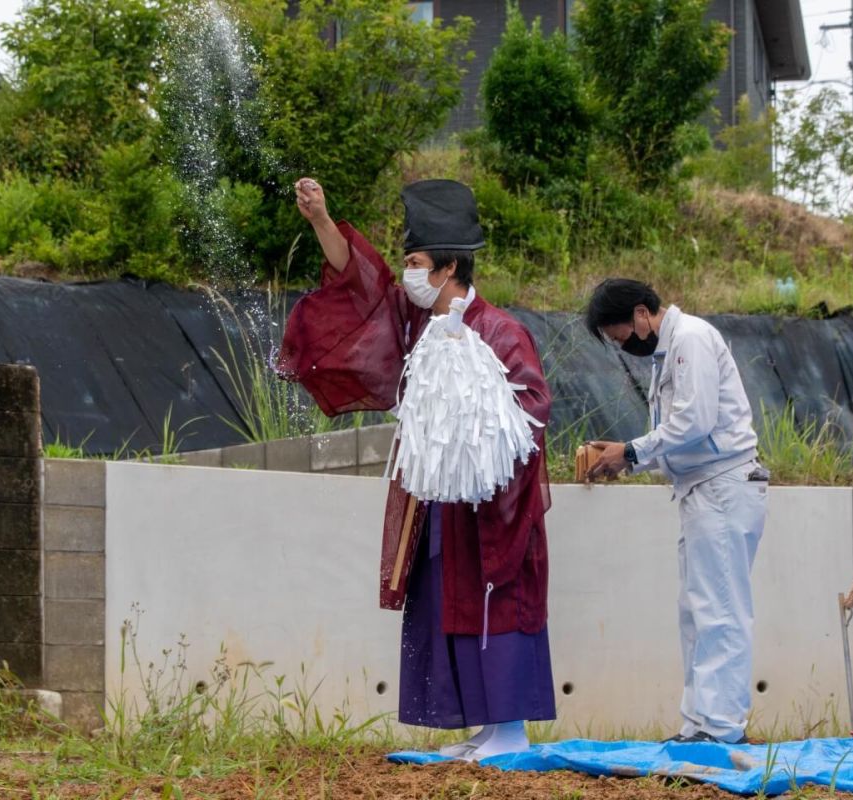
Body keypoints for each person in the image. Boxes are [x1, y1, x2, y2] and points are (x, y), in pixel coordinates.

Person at [278, 177, 555, 759]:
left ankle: (509, 731)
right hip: (434, 500)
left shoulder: (502, 331)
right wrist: (323, 222)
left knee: (493, 600)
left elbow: (531, 411)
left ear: (449, 268)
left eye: (416, 262)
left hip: (490, 505)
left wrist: (471, 438)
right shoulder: (418, 323)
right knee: (441, 601)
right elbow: (362, 285)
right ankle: (482, 729)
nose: (406, 272)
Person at [583, 278, 768, 746]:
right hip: (701, 490)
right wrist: (631, 457)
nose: (627, 346)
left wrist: (630, 452)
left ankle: (722, 727)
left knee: (720, 609)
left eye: (623, 336)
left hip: (722, 488)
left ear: (642, 314)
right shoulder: (672, 350)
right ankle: (700, 724)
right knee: (697, 609)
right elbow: (682, 433)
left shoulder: (690, 340)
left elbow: (695, 420)